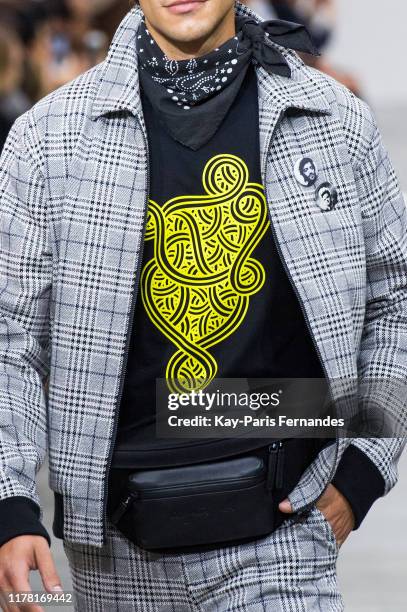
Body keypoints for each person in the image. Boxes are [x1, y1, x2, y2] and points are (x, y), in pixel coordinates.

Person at [0, 1, 406, 611]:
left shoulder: (332, 120)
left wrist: (363, 472)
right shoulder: (47, 140)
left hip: (283, 538)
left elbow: (395, 299)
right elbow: (12, 335)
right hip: (113, 556)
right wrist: (11, 503)